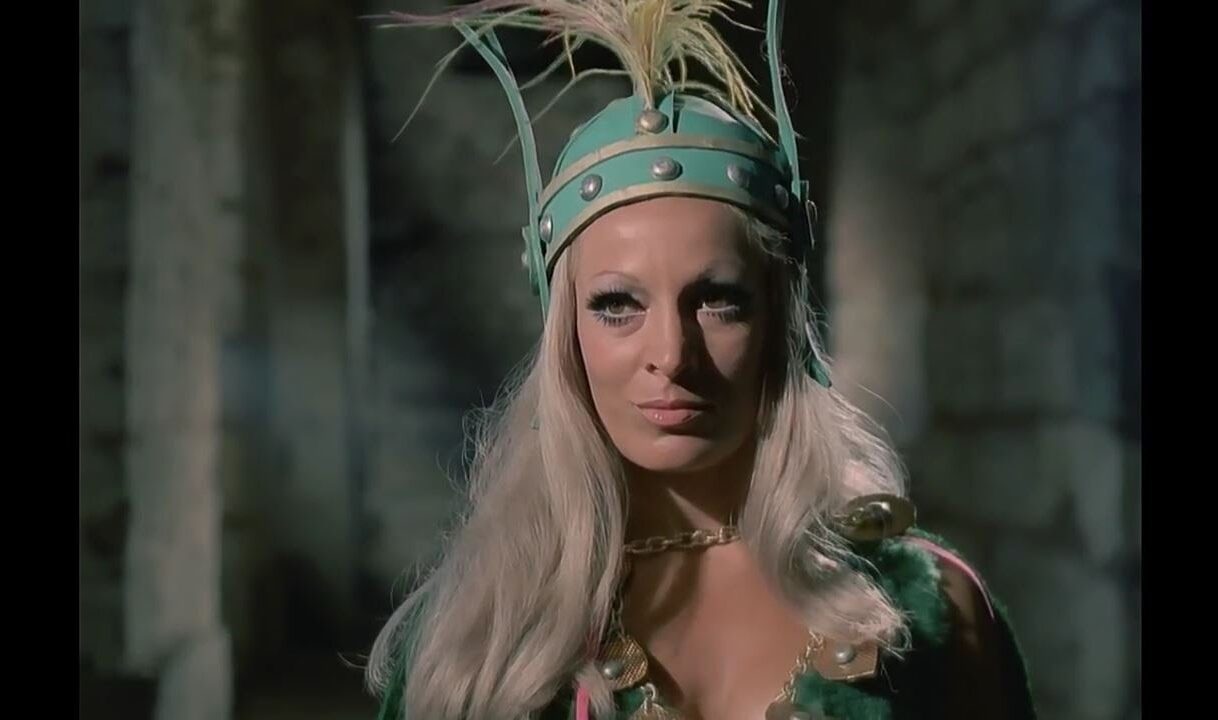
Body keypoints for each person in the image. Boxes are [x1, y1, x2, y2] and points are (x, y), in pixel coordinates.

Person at [366, 1, 1037, 718]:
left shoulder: (929, 610)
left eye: (718, 300)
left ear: (778, 318)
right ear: (566, 334)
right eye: (617, 304)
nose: (671, 355)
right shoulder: (473, 642)